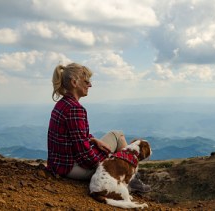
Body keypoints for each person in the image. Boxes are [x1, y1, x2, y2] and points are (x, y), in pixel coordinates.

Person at [47, 62, 150, 192]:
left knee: (117, 134)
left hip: (59, 163)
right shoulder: (75, 109)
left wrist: (94, 140)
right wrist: (111, 160)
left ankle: (130, 176)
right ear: (74, 82)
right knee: (118, 138)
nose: (90, 85)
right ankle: (129, 179)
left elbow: (75, 135)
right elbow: (84, 155)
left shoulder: (63, 104)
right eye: (86, 81)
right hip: (71, 168)